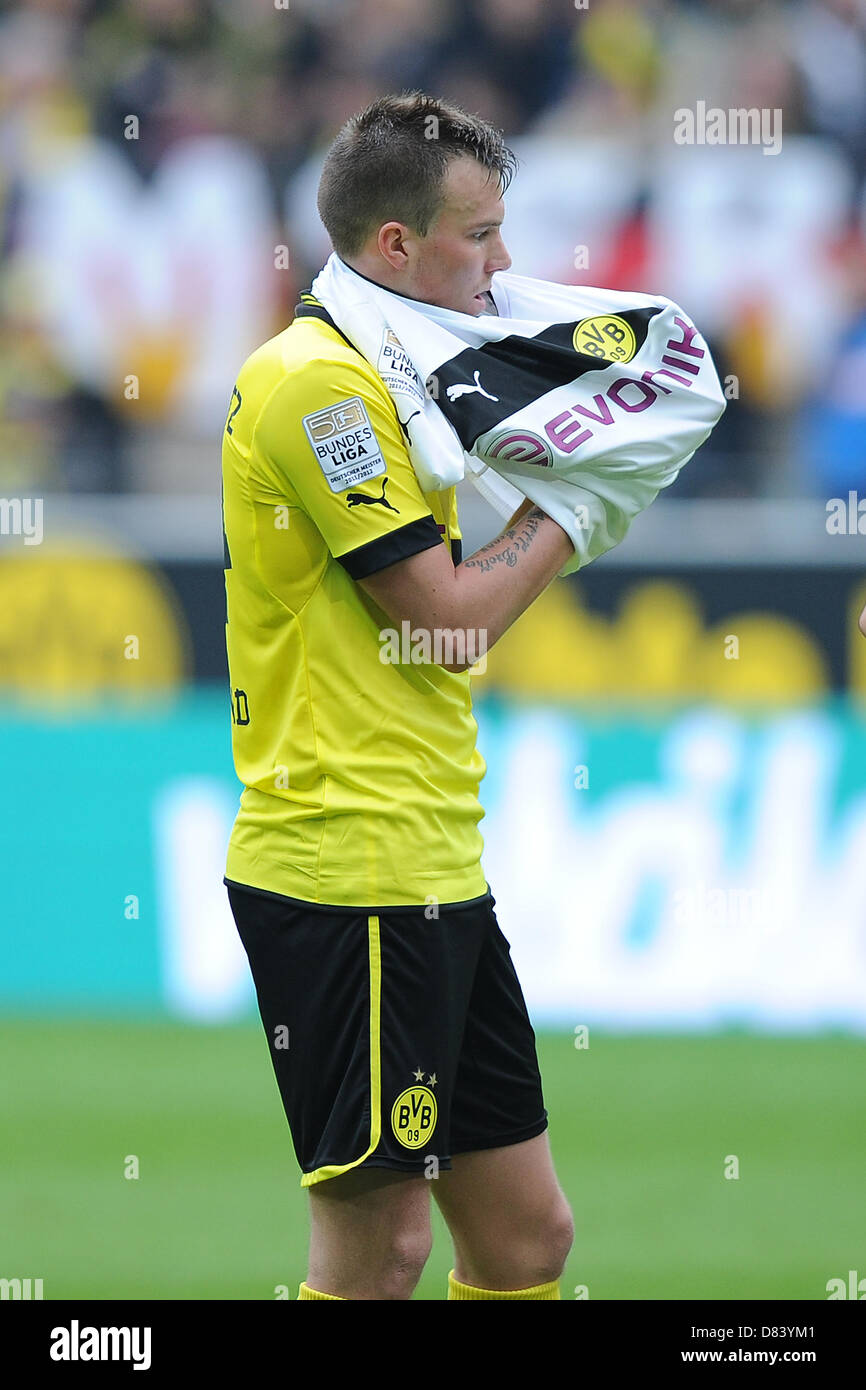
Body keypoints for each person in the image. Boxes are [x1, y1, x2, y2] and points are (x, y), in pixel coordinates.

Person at [221, 92, 575, 1301]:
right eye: (479, 234)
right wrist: (574, 512)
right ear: (395, 247)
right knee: (382, 1254)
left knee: (525, 1238)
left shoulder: (391, 367)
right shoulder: (315, 388)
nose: (503, 261)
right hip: (345, 863)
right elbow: (440, 620)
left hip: (431, 858)